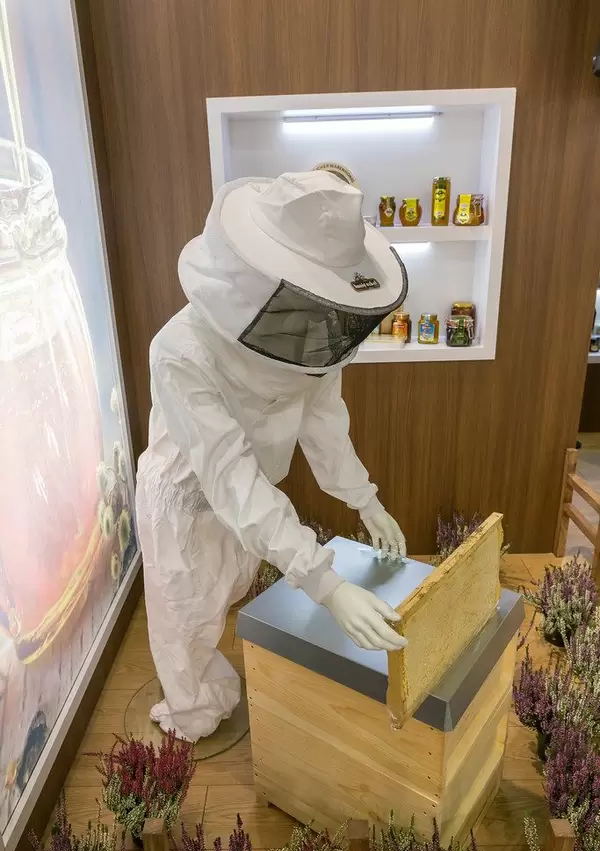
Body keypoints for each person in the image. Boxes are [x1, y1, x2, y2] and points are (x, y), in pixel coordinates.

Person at [136, 171, 409, 742]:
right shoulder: (180, 351)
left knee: (223, 598)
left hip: (249, 500)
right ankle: (189, 714)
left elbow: (325, 426)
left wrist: (366, 500)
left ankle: (206, 690)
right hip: (185, 501)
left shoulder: (315, 334)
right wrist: (326, 586)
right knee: (186, 617)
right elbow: (228, 475)